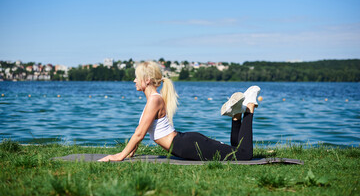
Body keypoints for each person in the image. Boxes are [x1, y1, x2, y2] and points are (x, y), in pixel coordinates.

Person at [98, 61, 260, 162]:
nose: (134, 80)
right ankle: (236, 115)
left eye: (136, 77)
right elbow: (142, 130)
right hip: (185, 142)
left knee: (244, 155)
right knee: (236, 151)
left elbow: (139, 134)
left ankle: (250, 106)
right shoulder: (153, 99)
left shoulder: (154, 100)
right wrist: (131, 151)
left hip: (187, 145)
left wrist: (120, 155)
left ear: (147, 80)